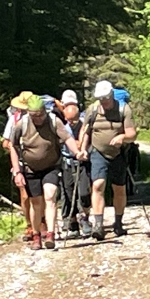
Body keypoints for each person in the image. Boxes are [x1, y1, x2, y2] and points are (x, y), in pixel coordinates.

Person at [8, 94, 86, 250]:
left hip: (51, 166)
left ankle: (50, 234)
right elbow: (12, 146)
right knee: (36, 203)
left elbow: (67, 138)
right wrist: (17, 171)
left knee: (50, 196)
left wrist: (77, 152)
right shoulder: (21, 125)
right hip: (30, 168)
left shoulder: (53, 121)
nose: (38, 118)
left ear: (44, 111)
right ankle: (36, 235)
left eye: (40, 115)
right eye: (34, 116)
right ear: (29, 113)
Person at [80, 80, 137, 240]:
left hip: (118, 153)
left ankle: (118, 223)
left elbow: (132, 134)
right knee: (97, 185)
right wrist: (83, 149)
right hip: (98, 152)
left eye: (106, 98)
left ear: (111, 95)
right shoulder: (92, 110)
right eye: (101, 98)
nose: (103, 101)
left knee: (119, 188)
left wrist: (122, 137)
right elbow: (86, 132)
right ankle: (98, 225)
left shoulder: (123, 109)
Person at [1, 90, 40, 241]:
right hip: (20, 162)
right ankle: (30, 224)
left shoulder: (39, 118)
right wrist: (14, 147)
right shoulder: (14, 120)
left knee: (38, 195)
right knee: (25, 195)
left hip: (37, 160)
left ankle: (39, 223)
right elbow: (5, 142)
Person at [59, 89, 92, 238]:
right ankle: (73, 223)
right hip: (67, 163)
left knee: (84, 193)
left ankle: (85, 218)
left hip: (83, 162)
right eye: (69, 120)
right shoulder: (61, 127)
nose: (72, 123)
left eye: (74, 119)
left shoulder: (84, 125)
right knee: (68, 193)